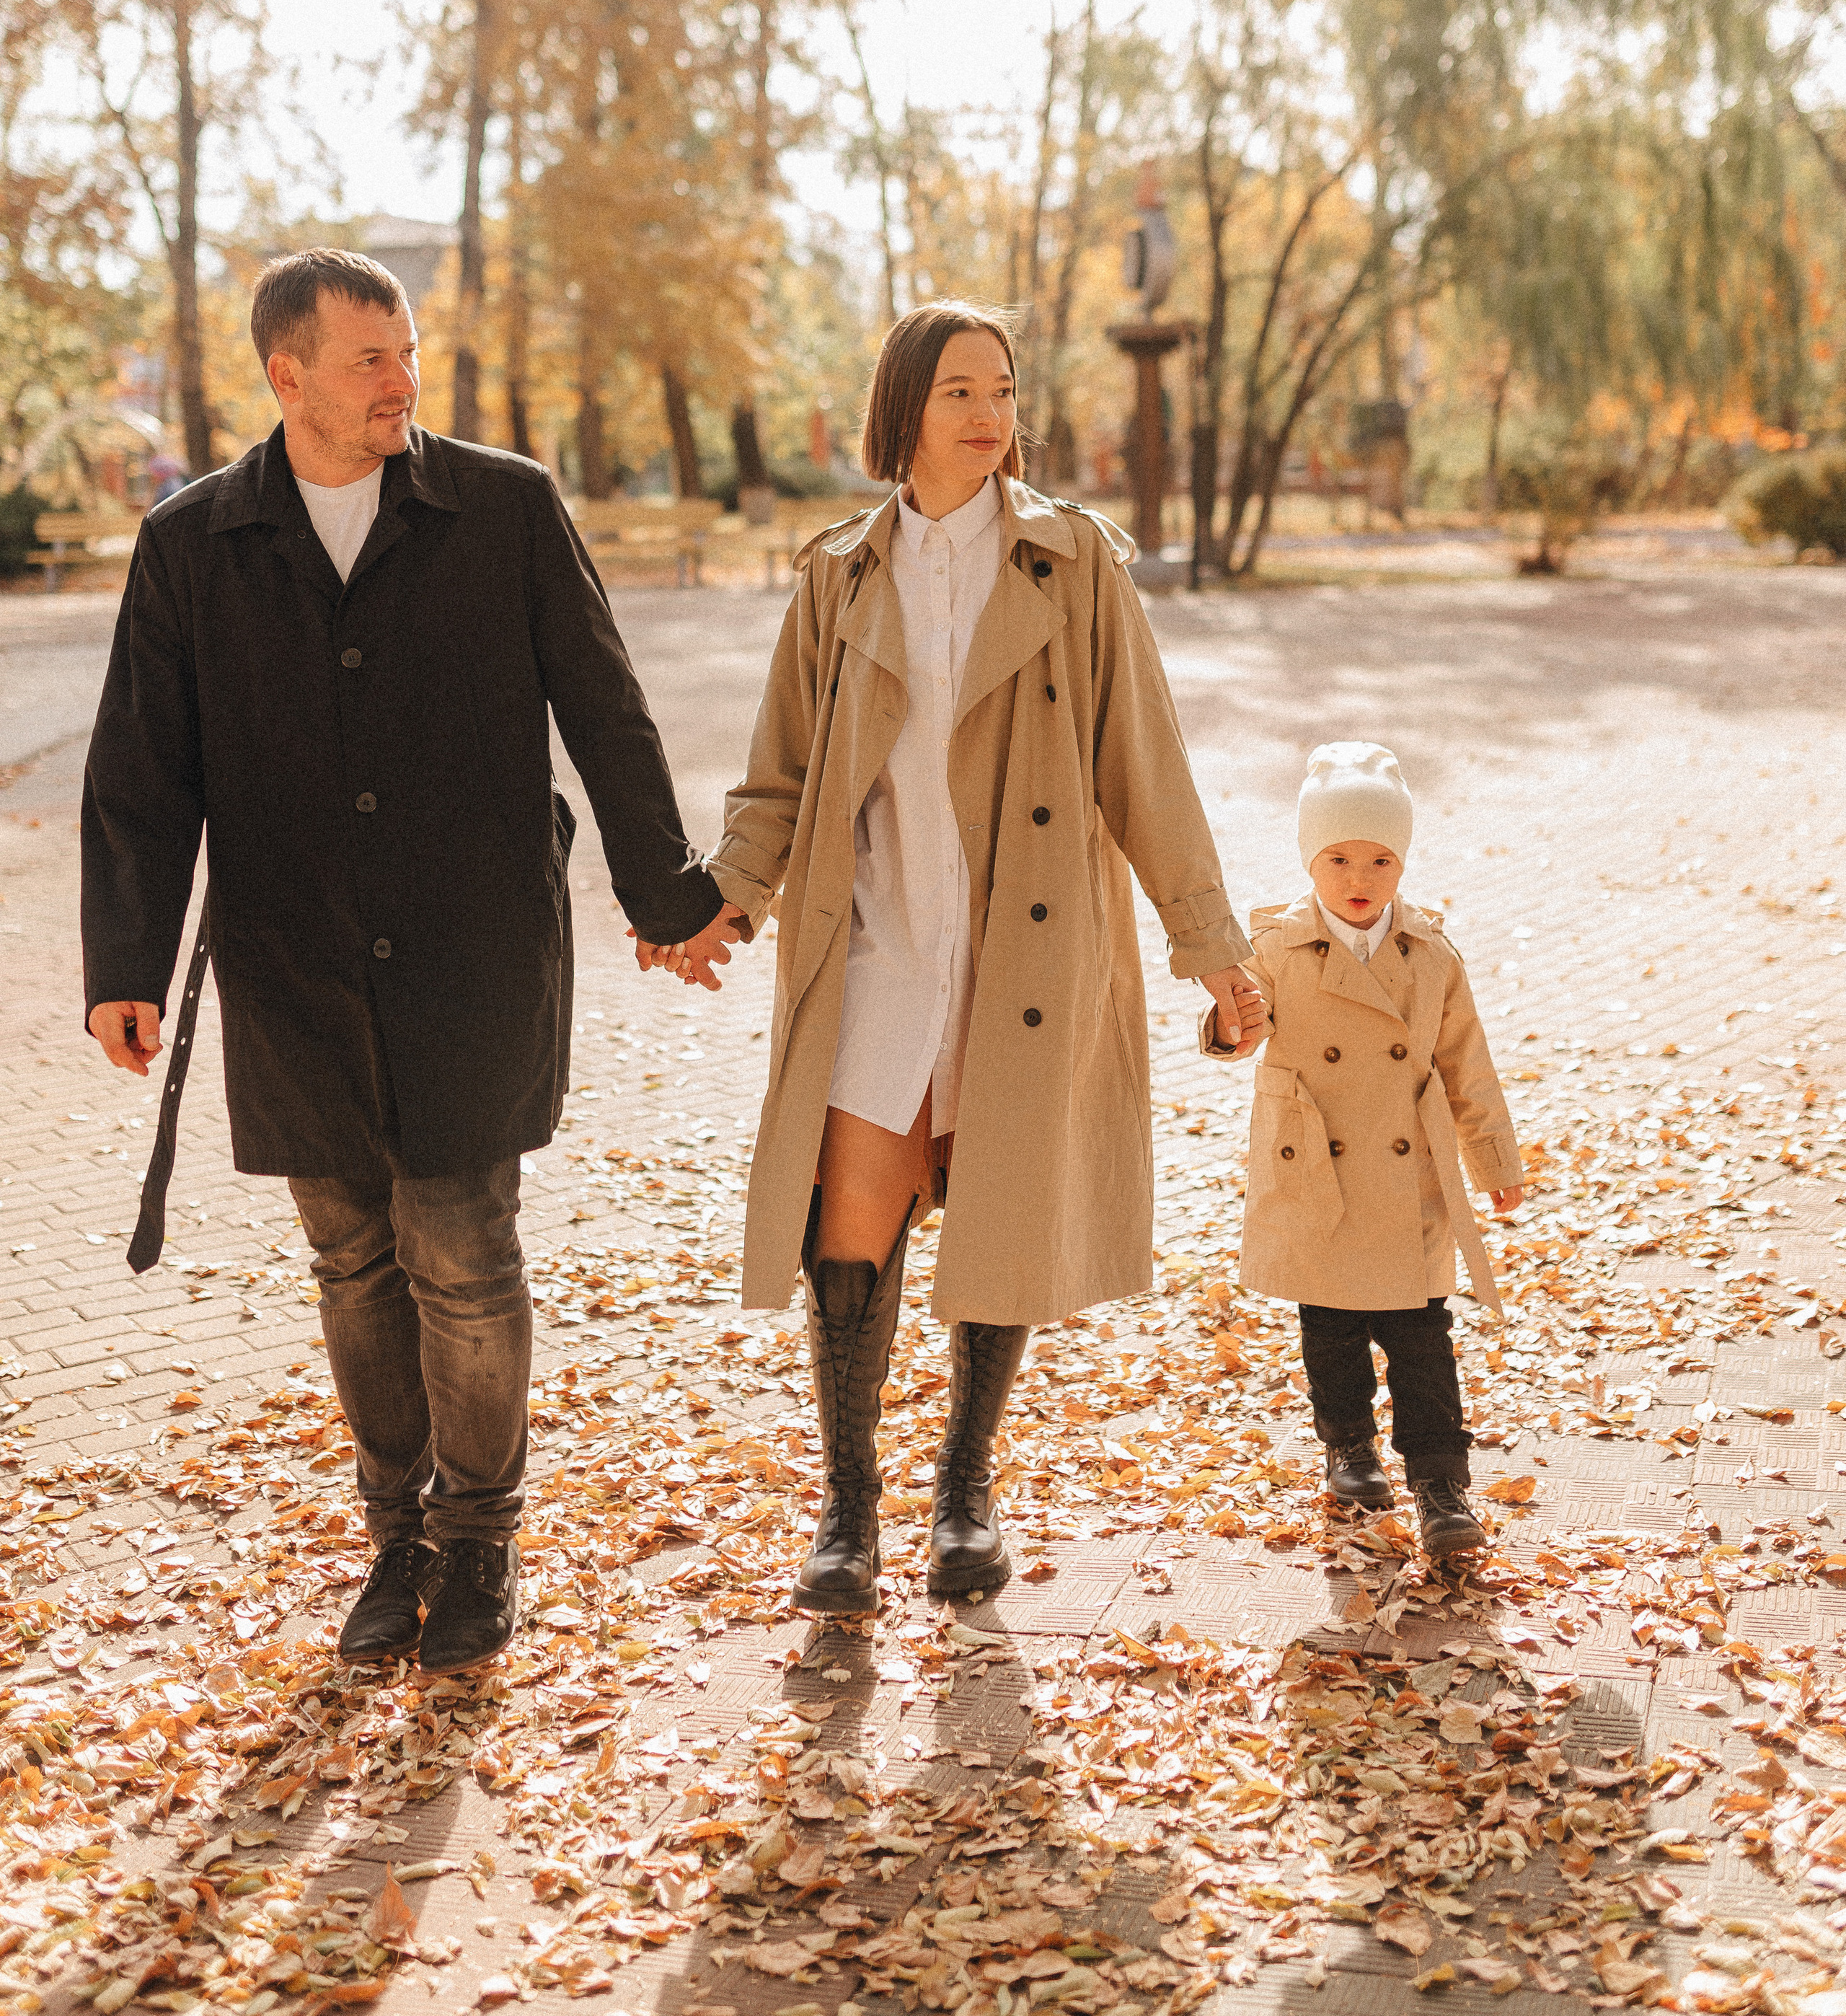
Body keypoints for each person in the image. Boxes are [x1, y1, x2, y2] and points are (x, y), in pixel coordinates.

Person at [81, 249, 731, 1673]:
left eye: (408, 350)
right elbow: (142, 766)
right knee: (353, 1261)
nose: (400, 380)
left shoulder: (500, 508)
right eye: (368, 356)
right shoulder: (193, 544)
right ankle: (395, 1543)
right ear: (287, 372)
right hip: (294, 964)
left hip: (473, 954)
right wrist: (122, 960)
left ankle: (480, 1545)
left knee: (460, 1251)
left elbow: (605, 709)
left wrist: (667, 896)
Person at [680, 301, 1267, 1614]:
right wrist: (725, 906)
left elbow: (1147, 768)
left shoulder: (1074, 563)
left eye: (1001, 388)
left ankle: (965, 1489)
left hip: (1024, 947)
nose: (989, 412)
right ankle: (847, 1508)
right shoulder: (838, 575)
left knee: (998, 1208)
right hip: (878, 941)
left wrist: (1210, 947)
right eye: (959, 390)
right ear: (905, 410)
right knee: (852, 1219)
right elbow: (774, 783)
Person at [1201, 739, 1524, 1560]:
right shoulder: (1274, 948)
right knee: (1332, 1327)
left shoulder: (1431, 957)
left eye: (1379, 859)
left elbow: (1465, 1063)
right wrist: (1231, 1023)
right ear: (1311, 860)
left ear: (1401, 863)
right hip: (1317, 1165)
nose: (1358, 878)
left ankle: (1441, 1484)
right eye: (1338, 857)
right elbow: (1238, 1024)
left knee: (1423, 1336)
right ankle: (1348, 1448)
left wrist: (1494, 1163)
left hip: (1407, 1172)